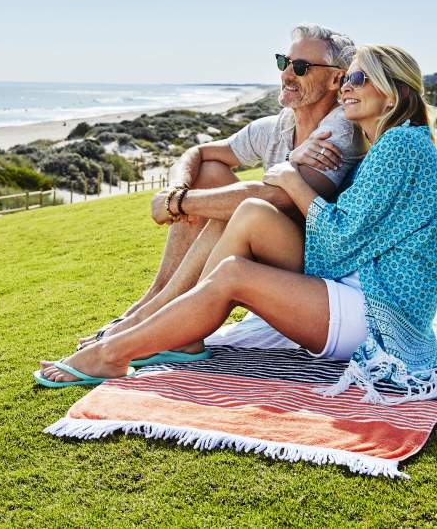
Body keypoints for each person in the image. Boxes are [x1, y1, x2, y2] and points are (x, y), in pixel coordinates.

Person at [36, 44, 437, 404]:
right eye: (348, 77)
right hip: (358, 290)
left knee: (233, 274)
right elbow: (345, 239)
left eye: (360, 78)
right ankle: (174, 333)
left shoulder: (400, 145)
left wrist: (291, 178)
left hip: (378, 315)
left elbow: (336, 241)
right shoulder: (393, 144)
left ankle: (113, 353)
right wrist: (293, 167)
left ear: (394, 94)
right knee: (242, 225)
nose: (347, 87)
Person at [78, 23, 367, 349]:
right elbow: (198, 153)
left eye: (300, 67)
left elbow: (280, 198)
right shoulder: (279, 126)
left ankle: (152, 321)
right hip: (270, 241)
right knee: (211, 172)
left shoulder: (340, 130)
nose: (287, 74)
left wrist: (180, 202)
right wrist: (176, 189)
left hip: (312, 266)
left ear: (336, 78)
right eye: (283, 62)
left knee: (240, 210)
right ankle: (150, 303)